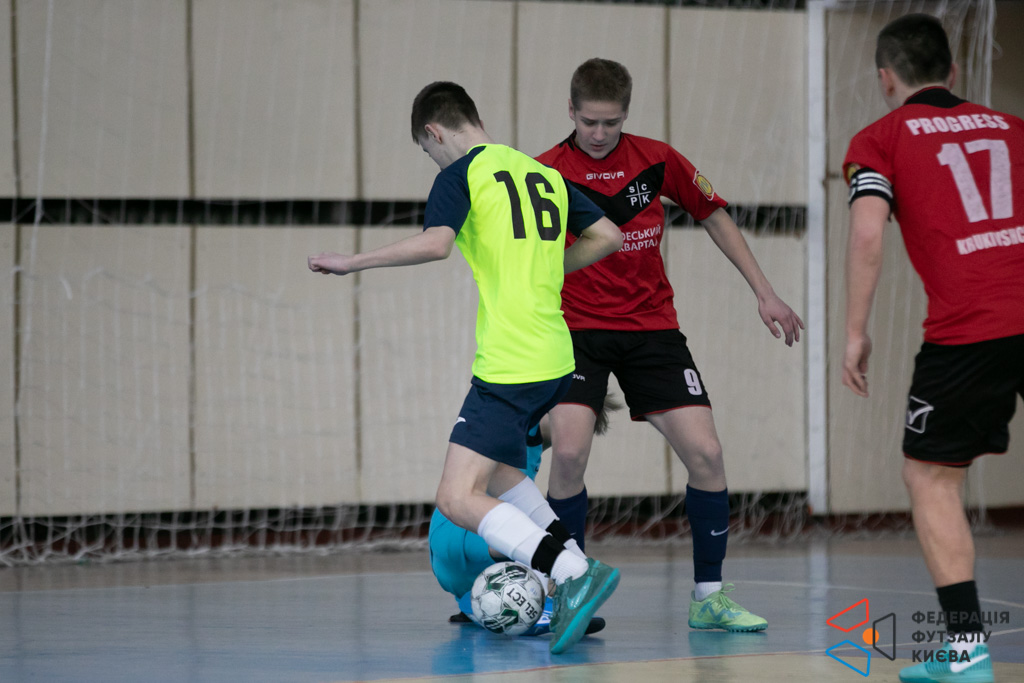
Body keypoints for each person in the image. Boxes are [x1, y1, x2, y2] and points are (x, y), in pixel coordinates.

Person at [309, 81, 624, 655]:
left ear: (434, 132)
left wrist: (353, 261)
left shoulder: (461, 175)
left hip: (511, 360)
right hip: (557, 353)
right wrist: (547, 270)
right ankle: (576, 564)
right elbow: (609, 234)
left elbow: (436, 244)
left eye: (426, 149)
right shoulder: (542, 173)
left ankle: (572, 574)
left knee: (456, 498)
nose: (432, 159)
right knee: (501, 473)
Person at [535, 58, 804, 633]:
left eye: (611, 122)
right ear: (570, 111)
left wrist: (766, 293)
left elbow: (715, 216)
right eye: (589, 122)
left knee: (707, 454)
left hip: (652, 329)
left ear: (626, 114)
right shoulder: (546, 172)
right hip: (576, 331)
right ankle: (566, 592)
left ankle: (709, 596)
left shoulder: (657, 160)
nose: (599, 133)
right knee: (569, 453)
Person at [842, 14, 1023, 683]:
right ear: (954, 71)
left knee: (931, 476)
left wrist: (856, 332)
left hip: (971, 328)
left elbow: (868, 234)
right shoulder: (1013, 128)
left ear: (885, 78)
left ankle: (967, 650)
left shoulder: (880, 138)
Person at [431, 397, 621, 637]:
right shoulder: (520, 420)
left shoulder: (535, 444)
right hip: (456, 536)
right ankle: (557, 583)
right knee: (525, 528)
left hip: (466, 573)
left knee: (528, 528)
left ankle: (479, 607)